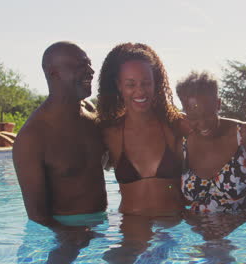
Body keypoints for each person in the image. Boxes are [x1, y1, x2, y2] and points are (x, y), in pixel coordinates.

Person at [12, 42, 107, 262]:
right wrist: (68, 236)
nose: (91, 71)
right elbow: (37, 215)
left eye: (90, 64)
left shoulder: (92, 113)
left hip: (102, 225)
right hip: (63, 234)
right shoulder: (33, 137)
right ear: (54, 72)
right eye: (81, 65)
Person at [97, 43, 185, 263]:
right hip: (130, 234)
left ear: (156, 83)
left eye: (146, 83)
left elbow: (215, 133)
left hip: (173, 231)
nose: (140, 91)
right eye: (131, 84)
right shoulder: (109, 133)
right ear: (118, 85)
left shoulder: (175, 125)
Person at [176, 71, 246, 213]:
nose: (202, 124)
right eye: (194, 117)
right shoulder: (183, 146)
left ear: (218, 104)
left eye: (208, 115)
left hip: (242, 234)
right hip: (195, 233)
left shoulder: (245, 134)